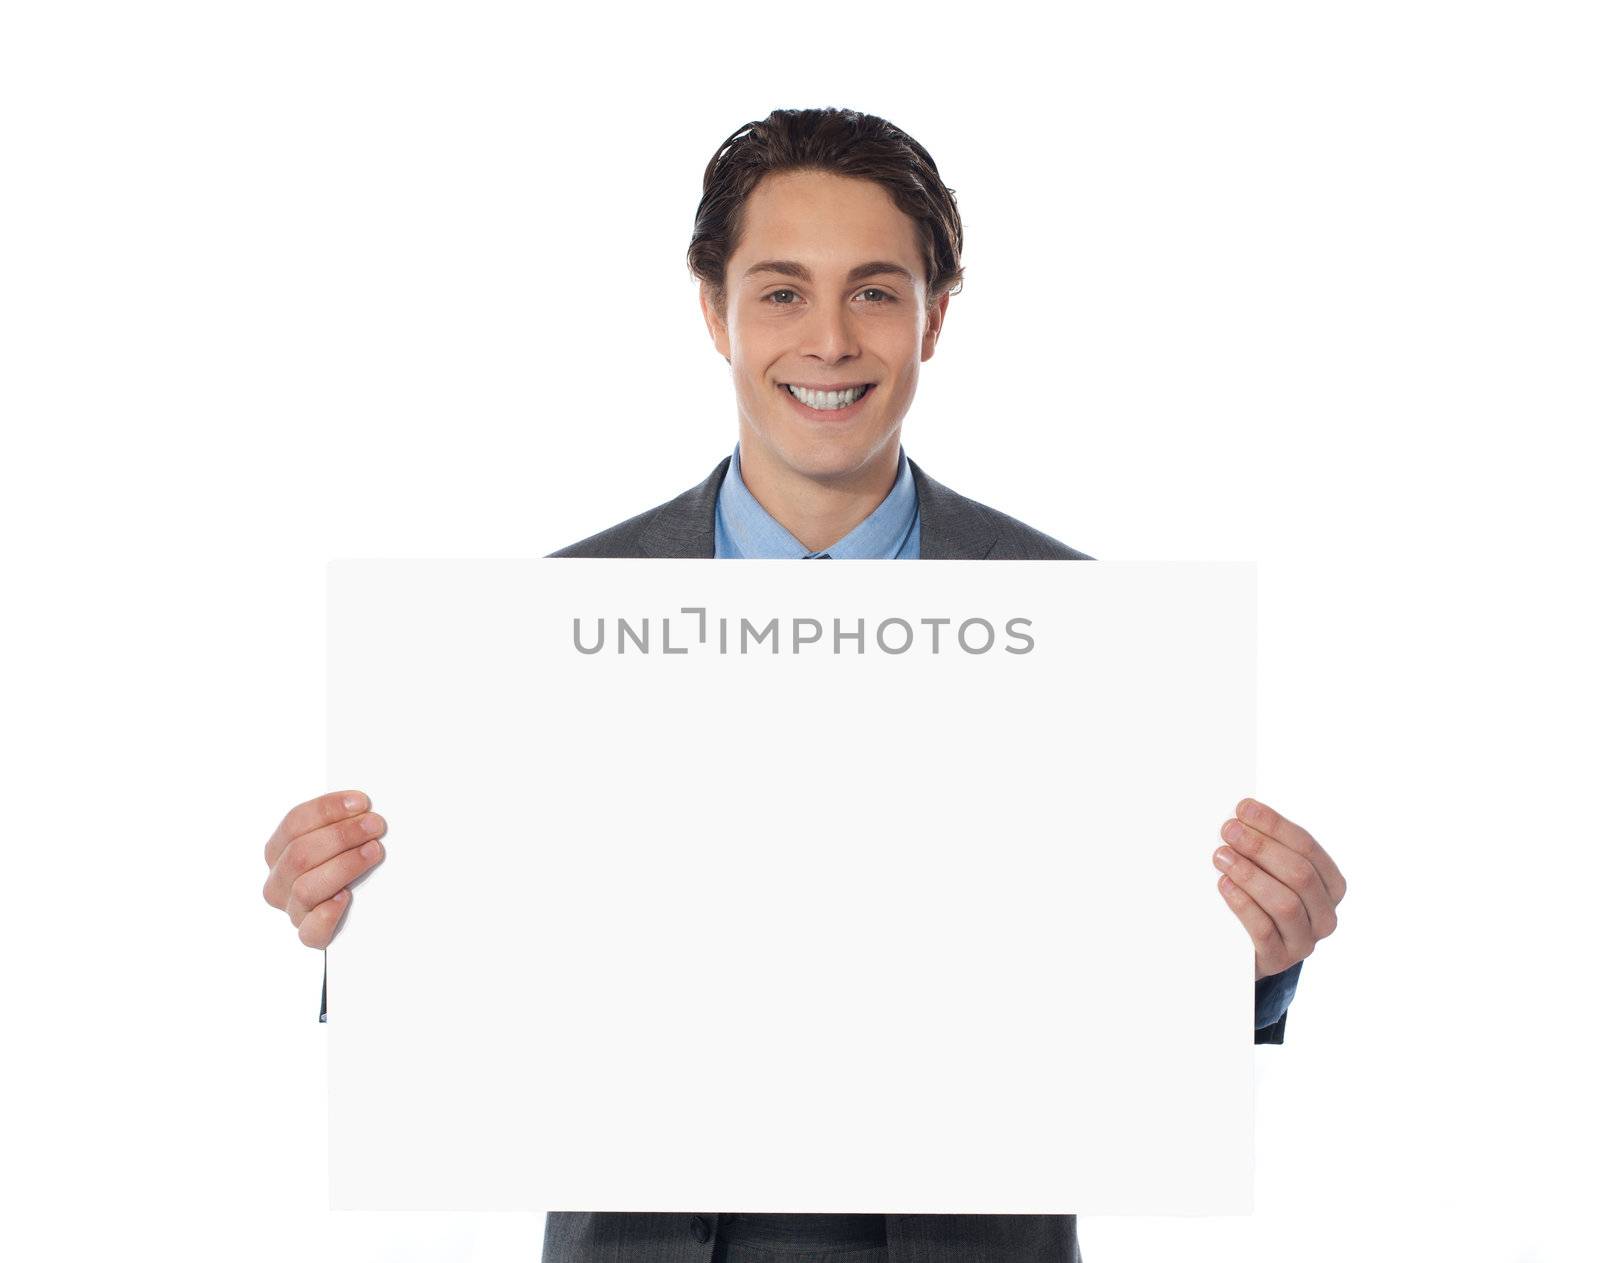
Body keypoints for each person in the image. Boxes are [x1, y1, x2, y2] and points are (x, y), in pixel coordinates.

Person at [261, 106, 1348, 1263]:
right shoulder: (538, 634)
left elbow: (1126, 1005)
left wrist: (1255, 960)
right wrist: (360, 924)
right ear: (711, 312)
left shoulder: (1091, 635)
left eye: (874, 291)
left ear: (934, 318)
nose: (828, 340)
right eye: (781, 291)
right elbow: (467, 999)